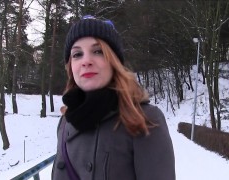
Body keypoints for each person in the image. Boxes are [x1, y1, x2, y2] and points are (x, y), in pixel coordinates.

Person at [52, 15, 175, 180]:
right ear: (70, 67)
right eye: (77, 54)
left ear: (114, 62)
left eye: (98, 51)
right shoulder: (66, 122)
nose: (86, 61)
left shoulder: (144, 119)